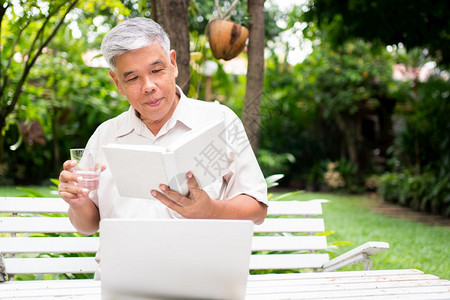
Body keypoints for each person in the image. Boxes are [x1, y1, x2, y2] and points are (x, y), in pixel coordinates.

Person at [58, 17, 268, 237]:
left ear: (173, 63)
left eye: (156, 70)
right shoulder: (106, 135)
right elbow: (88, 226)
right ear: (117, 83)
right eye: (133, 78)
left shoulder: (219, 120)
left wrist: (211, 210)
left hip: (200, 270)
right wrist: (78, 203)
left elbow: (257, 208)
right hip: (125, 270)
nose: (148, 86)